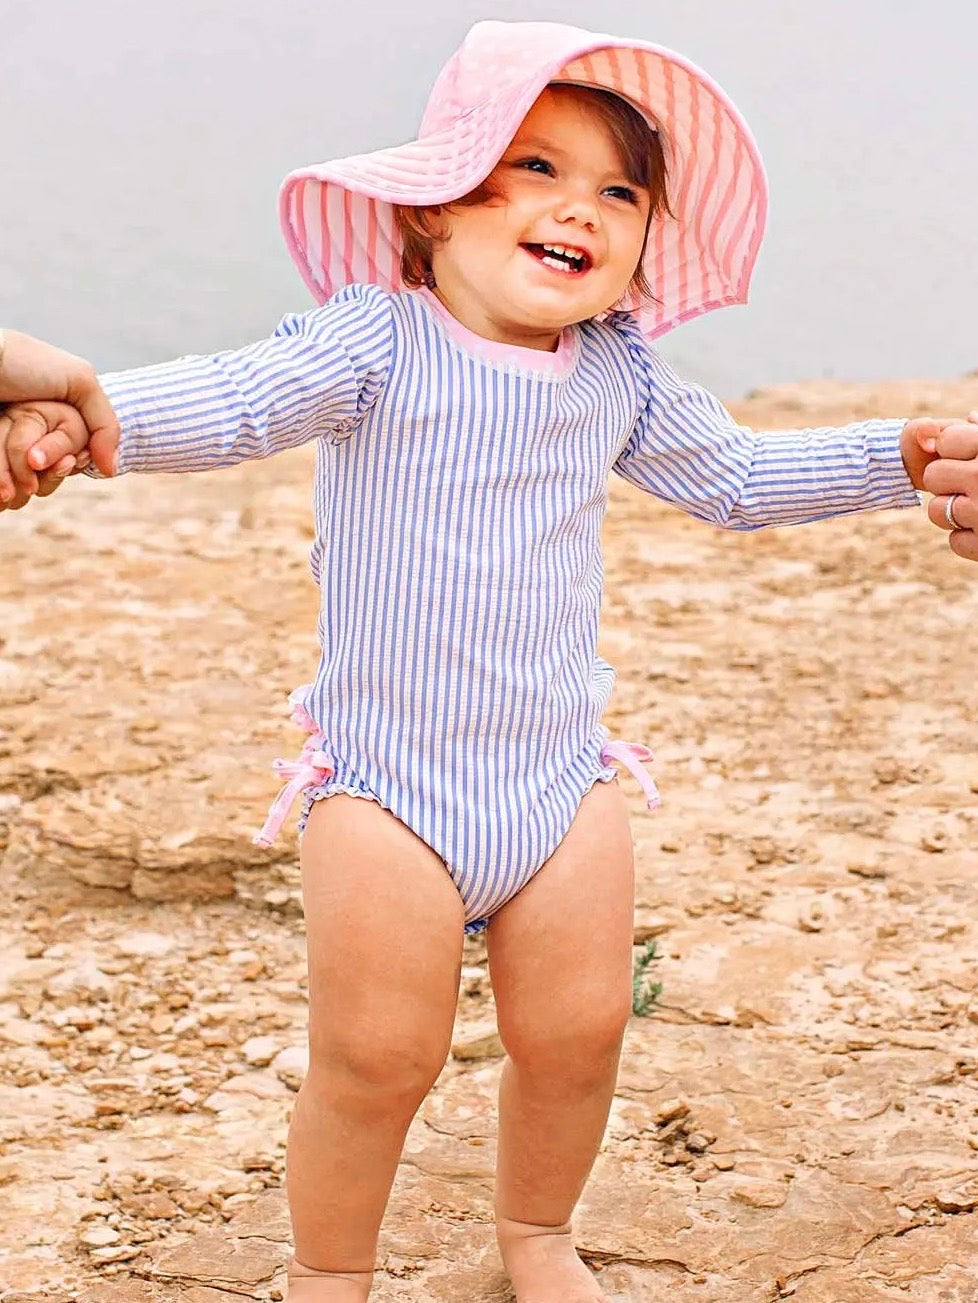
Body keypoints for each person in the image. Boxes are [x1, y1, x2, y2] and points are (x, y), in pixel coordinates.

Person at [2, 19, 978, 1302]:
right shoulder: (375, 343)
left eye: (621, 192)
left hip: (559, 781)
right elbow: (237, 399)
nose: (582, 207)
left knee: (577, 1036)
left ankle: (535, 1234)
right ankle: (326, 1270)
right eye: (534, 169)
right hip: (389, 791)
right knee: (377, 1058)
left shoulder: (618, 370)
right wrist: (90, 408)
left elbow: (737, 476)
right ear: (431, 214)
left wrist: (892, 457)